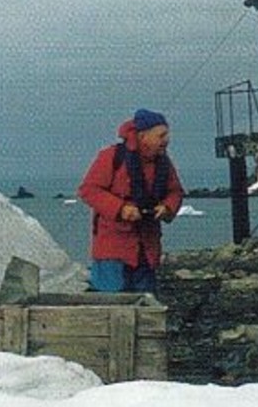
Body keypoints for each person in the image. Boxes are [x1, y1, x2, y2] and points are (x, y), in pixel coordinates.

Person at [78, 109, 185, 294]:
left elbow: (175, 192)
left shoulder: (164, 163)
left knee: (145, 302)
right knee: (109, 302)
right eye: (161, 135)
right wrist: (121, 209)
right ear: (143, 136)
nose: (167, 140)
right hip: (112, 248)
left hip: (147, 246)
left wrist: (167, 207)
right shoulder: (111, 156)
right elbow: (88, 190)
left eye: (167, 134)